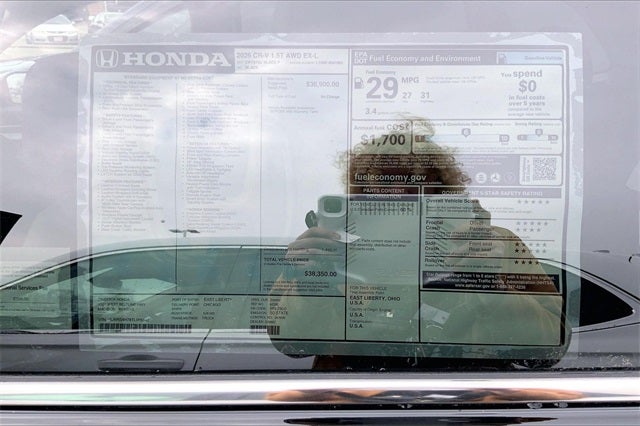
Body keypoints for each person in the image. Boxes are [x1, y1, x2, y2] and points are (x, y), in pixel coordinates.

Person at [268, 119, 566, 370]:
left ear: (440, 188)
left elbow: (549, 347)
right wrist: (310, 281)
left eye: (413, 180)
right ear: (362, 189)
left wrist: (491, 285)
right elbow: (290, 343)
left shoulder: (493, 244)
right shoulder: (328, 245)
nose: (397, 191)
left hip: (466, 396)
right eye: (382, 180)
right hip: (353, 397)